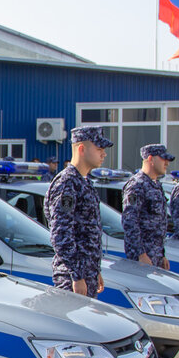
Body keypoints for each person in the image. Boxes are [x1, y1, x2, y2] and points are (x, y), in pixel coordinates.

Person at [45, 126, 110, 298]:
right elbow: (61, 234)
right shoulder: (67, 183)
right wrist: (77, 274)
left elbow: (87, 232)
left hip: (85, 273)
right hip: (71, 277)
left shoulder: (83, 182)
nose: (104, 154)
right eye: (99, 149)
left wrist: (95, 270)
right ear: (81, 148)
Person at [122, 144, 174, 269]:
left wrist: (162, 255)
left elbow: (158, 225)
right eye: (163, 159)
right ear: (150, 159)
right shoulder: (137, 185)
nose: (166, 163)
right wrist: (141, 254)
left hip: (155, 255)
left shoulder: (156, 184)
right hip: (142, 258)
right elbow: (130, 222)